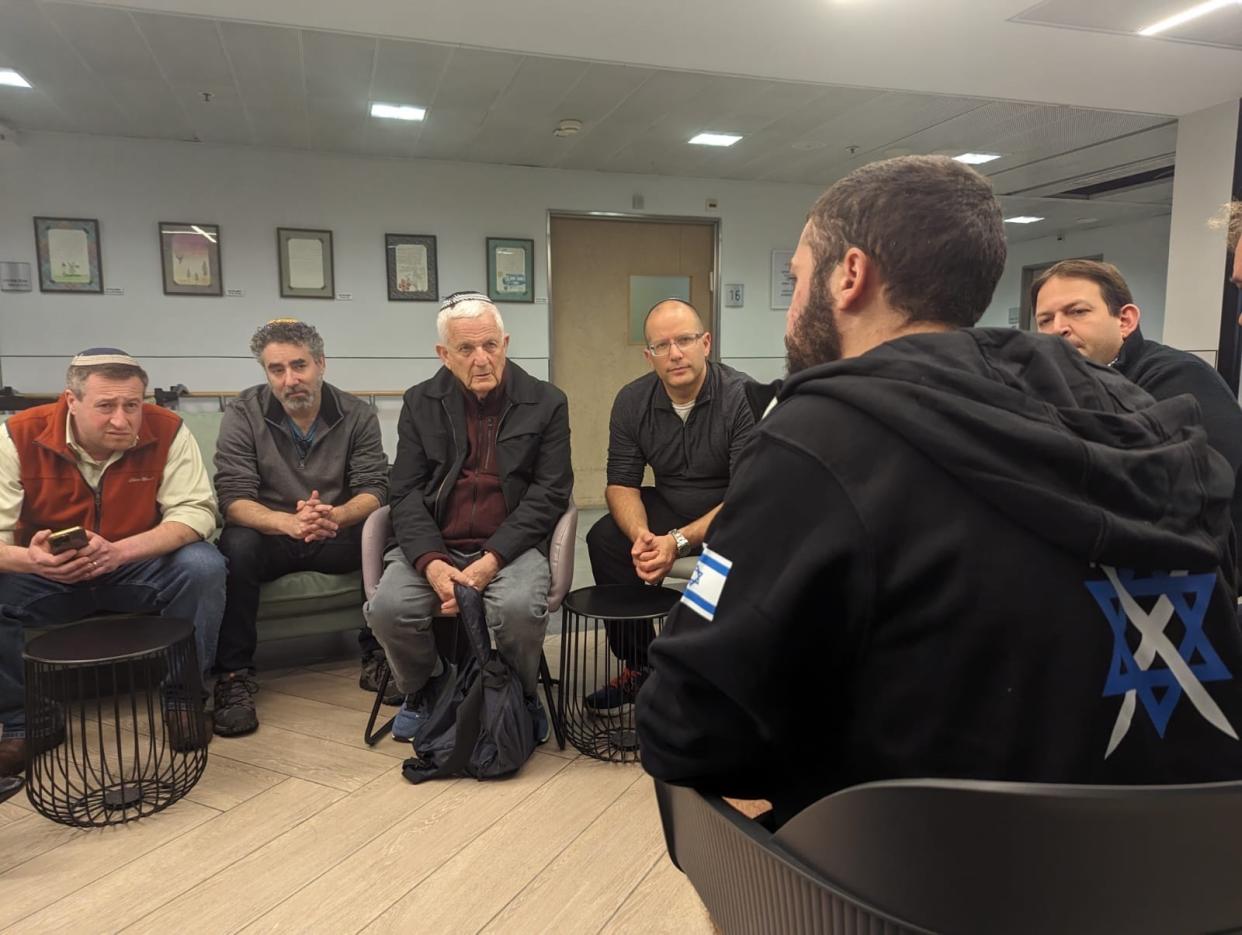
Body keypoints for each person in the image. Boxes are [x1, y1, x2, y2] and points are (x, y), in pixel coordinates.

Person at [637, 156, 1242, 827]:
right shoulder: (1132, 410)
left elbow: (684, 727)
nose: (789, 314)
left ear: (850, 276)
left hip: (939, 883)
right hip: (1190, 867)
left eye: (797, 277)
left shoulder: (822, 433)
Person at [0, 348, 224, 777]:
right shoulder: (17, 436)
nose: (122, 420)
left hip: (134, 563)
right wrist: (30, 560)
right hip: (48, 574)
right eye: (106, 406)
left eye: (132, 405)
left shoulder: (169, 430)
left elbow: (196, 512)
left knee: (203, 565)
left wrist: (121, 551)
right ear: (72, 401)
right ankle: (25, 722)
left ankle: (182, 701)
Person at [365, 292, 572, 746]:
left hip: (510, 547)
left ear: (506, 343)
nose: (482, 359)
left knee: (517, 609)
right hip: (436, 541)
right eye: (466, 349)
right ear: (444, 354)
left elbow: (551, 492)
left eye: (491, 345)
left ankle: (521, 693)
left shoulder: (547, 402)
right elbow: (404, 492)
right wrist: (432, 562)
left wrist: (493, 559)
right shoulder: (421, 403)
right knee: (388, 609)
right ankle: (425, 687)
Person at [211, 320, 389, 736]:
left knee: (387, 531)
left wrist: (337, 516)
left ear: (321, 364)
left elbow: (374, 488)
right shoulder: (242, 413)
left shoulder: (358, 414)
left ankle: (381, 655)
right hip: (271, 534)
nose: (290, 380)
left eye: (299, 366)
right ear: (266, 373)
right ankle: (234, 677)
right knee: (235, 544)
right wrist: (288, 523)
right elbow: (232, 498)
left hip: (334, 529)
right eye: (276, 369)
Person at [584, 299, 755, 714]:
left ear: (706, 343)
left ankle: (713, 671)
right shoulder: (632, 401)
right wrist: (642, 536)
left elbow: (749, 491)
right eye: (662, 345)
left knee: (749, 540)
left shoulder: (741, 396)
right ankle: (643, 665)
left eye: (685, 340)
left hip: (731, 512)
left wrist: (677, 542)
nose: (675, 353)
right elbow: (622, 483)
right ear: (649, 356)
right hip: (671, 503)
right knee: (606, 539)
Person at [1032, 259, 1242, 578]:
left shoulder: (1177, 378)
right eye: (1045, 320)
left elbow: (1178, 495)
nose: (1058, 328)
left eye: (1077, 311)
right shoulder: (1054, 388)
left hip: (1197, 579)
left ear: (1125, 320)